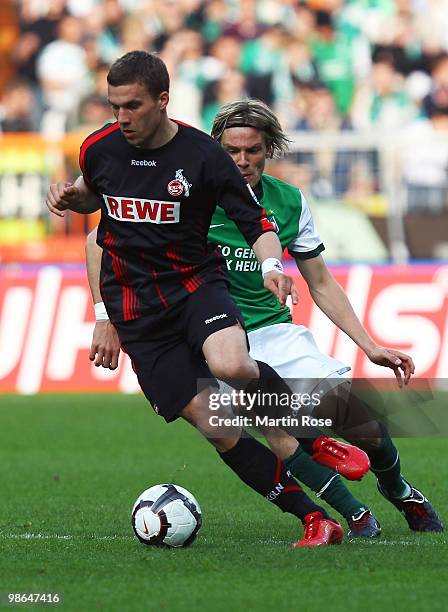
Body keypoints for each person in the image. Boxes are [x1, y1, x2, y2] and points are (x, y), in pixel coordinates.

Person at [87, 97, 442, 535]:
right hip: (210, 337)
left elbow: (322, 282)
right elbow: (101, 239)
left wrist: (369, 345)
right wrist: (106, 314)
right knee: (268, 431)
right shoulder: (188, 192)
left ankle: (399, 490)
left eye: (252, 151)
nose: (242, 161)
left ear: (268, 149)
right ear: (216, 150)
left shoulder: (289, 203)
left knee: (362, 424)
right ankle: (350, 515)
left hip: (273, 333)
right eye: (231, 152)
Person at [46, 50, 344, 547]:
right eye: (114, 105)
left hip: (194, 285)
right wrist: (70, 201)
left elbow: (257, 224)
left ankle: (314, 437)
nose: (122, 117)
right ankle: (314, 519)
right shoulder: (99, 148)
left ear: (163, 100)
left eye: (133, 106)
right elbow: (93, 206)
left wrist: (272, 266)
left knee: (232, 365)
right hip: (137, 311)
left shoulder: (203, 157)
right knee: (219, 427)